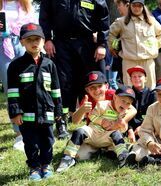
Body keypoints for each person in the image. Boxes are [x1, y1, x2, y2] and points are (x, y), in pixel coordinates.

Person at [39, 0, 110, 138]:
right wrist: (47, 39)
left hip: (87, 44)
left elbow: (104, 19)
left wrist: (102, 44)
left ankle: (97, 119)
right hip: (61, 44)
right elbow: (44, 17)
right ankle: (62, 123)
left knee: (89, 82)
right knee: (63, 83)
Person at [7, 23, 63, 180]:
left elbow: (56, 90)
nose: (34, 43)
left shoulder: (50, 65)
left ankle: (46, 164)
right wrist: (15, 111)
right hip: (27, 114)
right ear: (21, 42)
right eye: (29, 39)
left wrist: (58, 110)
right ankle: (34, 167)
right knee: (30, 141)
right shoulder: (16, 66)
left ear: (44, 41)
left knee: (47, 140)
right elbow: (12, 92)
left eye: (37, 39)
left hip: (47, 112)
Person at [56, 85, 137, 172]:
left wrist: (122, 125)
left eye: (128, 103)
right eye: (123, 101)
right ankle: (68, 158)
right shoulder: (102, 105)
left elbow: (123, 130)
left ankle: (123, 157)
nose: (124, 105)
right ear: (115, 97)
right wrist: (101, 121)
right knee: (79, 131)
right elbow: (91, 115)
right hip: (94, 132)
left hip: (107, 137)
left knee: (117, 134)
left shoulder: (124, 113)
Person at [0, 0, 36, 151]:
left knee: (28, 86)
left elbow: (35, 27)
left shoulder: (26, 5)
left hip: (23, 44)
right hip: (3, 45)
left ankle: (32, 127)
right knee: (11, 89)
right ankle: (19, 133)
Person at [109, 0, 161, 89]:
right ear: (130, 6)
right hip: (129, 61)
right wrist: (113, 47)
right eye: (134, 5)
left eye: (139, 6)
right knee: (129, 90)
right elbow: (110, 34)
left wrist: (155, 46)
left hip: (147, 61)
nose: (136, 8)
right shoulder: (121, 21)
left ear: (143, 7)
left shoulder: (151, 21)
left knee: (150, 89)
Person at [126, 66, 156, 143]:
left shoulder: (152, 94)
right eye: (134, 77)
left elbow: (154, 116)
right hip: (129, 127)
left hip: (147, 127)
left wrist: (142, 127)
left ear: (145, 79)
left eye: (140, 76)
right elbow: (124, 114)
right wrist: (130, 130)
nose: (137, 79)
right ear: (130, 79)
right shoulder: (127, 94)